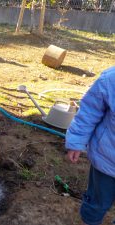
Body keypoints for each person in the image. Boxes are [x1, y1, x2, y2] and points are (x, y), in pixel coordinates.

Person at [66, 66, 115, 225]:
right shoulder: (110, 79)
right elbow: (88, 113)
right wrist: (76, 142)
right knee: (96, 204)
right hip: (107, 161)